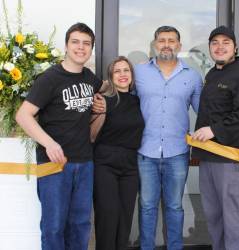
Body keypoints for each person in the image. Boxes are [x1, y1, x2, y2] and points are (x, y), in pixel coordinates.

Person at [15, 23, 101, 250]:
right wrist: (49, 143)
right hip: (54, 164)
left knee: (81, 224)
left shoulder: (89, 78)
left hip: (84, 162)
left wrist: (105, 99)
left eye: (86, 44)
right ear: (66, 45)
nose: (80, 48)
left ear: (91, 49)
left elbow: (106, 90)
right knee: (53, 227)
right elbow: (23, 116)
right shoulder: (49, 79)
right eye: (75, 42)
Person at [191, 26, 239, 250]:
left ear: (235, 47)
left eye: (225, 43)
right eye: (215, 43)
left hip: (231, 159)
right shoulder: (212, 74)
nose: (219, 47)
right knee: (214, 217)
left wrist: (214, 130)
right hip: (208, 157)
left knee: (234, 218)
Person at [134, 26, 203, 250]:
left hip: (177, 152)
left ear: (179, 46)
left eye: (171, 40)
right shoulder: (139, 73)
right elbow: (125, 105)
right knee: (146, 206)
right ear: (154, 45)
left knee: (174, 206)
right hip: (145, 150)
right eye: (162, 40)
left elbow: (204, 111)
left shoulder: (192, 76)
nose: (166, 44)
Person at [91, 56, 144, 250]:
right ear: (111, 77)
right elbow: (91, 134)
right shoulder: (103, 100)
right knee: (108, 217)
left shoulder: (138, 101)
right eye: (117, 71)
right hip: (105, 163)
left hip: (130, 165)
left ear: (132, 75)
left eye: (126, 70)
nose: (122, 75)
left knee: (125, 219)